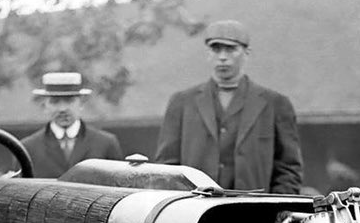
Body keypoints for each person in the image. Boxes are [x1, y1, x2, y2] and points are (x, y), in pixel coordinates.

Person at [154, 19, 303, 194]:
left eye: (231, 49)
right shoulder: (182, 102)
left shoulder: (276, 104)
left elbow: (288, 170)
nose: (223, 57)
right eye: (216, 49)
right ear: (208, 53)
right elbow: (167, 170)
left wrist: (275, 206)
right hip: (195, 207)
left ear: (246, 53)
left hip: (254, 208)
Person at [21, 72, 124, 178]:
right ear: (45, 106)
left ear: (81, 103)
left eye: (69, 101)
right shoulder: (28, 148)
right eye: (55, 102)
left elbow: (119, 184)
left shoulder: (105, 143)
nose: (62, 109)